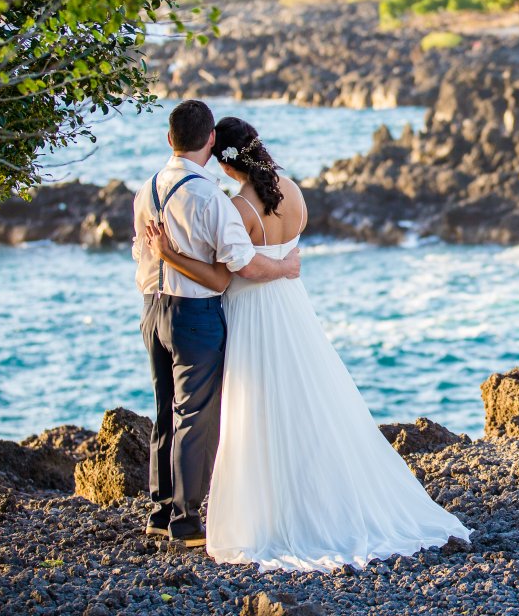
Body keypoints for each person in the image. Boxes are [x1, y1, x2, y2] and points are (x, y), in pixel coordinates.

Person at [144, 115, 471, 571]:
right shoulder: (292, 191)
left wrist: (171, 255)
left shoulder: (238, 208)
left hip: (252, 313)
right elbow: (286, 248)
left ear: (225, 159)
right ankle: (316, 491)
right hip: (292, 308)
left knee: (254, 411)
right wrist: (284, 264)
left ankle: (264, 508)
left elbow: (235, 271)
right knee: (305, 399)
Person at [132, 101, 302, 547]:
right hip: (195, 313)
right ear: (209, 140)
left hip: (152, 309)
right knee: (196, 416)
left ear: (170, 139)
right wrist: (284, 269)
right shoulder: (210, 198)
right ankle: (185, 522)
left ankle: (160, 509)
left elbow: (138, 254)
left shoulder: (145, 190)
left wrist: (166, 259)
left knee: (165, 408)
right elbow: (240, 266)